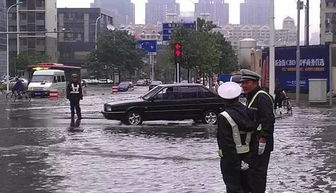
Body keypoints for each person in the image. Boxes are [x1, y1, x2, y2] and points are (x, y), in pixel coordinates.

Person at [217, 82, 256, 193]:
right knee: (247, 187)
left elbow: (226, 144)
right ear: (238, 97)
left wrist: (233, 164)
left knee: (233, 188)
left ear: (223, 99)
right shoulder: (249, 112)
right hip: (248, 157)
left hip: (231, 160)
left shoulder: (224, 116)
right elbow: (254, 136)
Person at [239, 69, 275, 193]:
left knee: (258, 173)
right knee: (252, 173)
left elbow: (268, 120)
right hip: (253, 142)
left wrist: (263, 139)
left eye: (247, 83)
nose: (243, 85)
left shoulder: (261, 97)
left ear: (255, 83)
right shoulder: (252, 96)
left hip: (260, 142)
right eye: (242, 83)